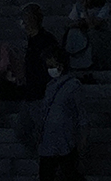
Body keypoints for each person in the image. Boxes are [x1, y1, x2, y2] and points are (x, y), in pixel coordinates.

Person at [38, 45, 89, 181]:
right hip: (48, 142)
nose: (49, 68)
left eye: (52, 65)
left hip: (66, 141)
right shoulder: (49, 87)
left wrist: (82, 141)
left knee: (70, 173)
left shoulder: (74, 85)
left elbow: (82, 115)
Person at [63, 0, 111, 71]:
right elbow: (69, 21)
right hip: (81, 32)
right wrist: (77, 23)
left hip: (98, 33)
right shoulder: (78, 6)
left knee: (94, 35)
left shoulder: (103, 7)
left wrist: (85, 9)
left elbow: (93, 25)